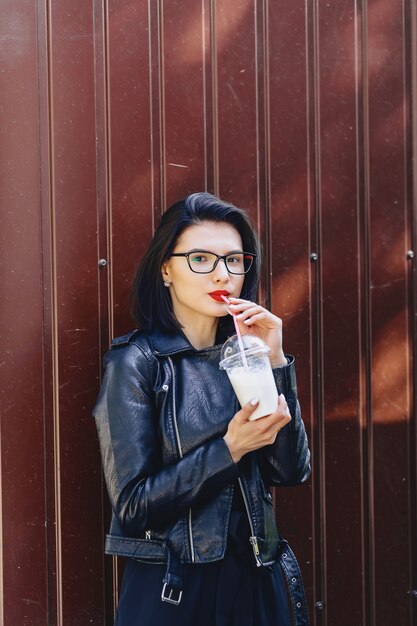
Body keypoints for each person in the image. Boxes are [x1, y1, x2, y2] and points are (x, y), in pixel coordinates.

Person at [93, 192, 311, 626]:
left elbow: (290, 471)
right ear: (166, 269)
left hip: (256, 580)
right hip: (173, 589)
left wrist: (274, 362)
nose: (222, 274)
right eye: (201, 259)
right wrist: (229, 449)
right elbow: (134, 505)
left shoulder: (247, 355)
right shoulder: (136, 361)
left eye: (234, 260)